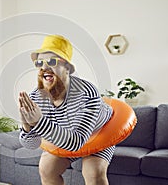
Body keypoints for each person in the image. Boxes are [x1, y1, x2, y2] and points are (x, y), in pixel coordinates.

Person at [18, 34, 114, 185]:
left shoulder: (86, 93)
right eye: (40, 63)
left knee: (93, 172)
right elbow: (31, 145)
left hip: (99, 132)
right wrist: (26, 125)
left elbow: (77, 142)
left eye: (51, 61)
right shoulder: (36, 96)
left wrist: (39, 121)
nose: (44, 67)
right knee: (46, 168)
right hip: (66, 134)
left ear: (67, 68)